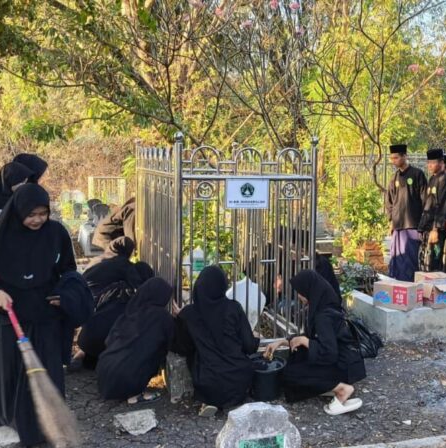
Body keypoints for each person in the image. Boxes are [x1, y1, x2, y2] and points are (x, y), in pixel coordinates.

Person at [0, 184, 77, 448]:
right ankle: (16, 420)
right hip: (12, 311)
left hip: (45, 311)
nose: (37, 219)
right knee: (14, 368)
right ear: (17, 212)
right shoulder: (1, 235)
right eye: (31, 214)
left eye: (43, 213)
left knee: (47, 368)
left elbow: (68, 270)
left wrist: (63, 294)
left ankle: (49, 422)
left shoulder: (56, 233)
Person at [265, 270, 366, 415]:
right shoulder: (325, 305)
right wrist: (281, 342)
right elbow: (313, 338)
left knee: (290, 374)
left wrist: (305, 341)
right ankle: (329, 385)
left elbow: (329, 353)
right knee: (297, 355)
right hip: (343, 363)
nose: (299, 296)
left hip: (341, 366)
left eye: (300, 292)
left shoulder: (323, 317)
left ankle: (341, 389)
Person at [174, 266, 260, 417]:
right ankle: (231, 403)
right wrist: (256, 337)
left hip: (207, 382)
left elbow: (183, 347)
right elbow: (249, 346)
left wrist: (182, 320)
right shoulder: (233, 308)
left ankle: (210, 402)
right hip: (239, 379)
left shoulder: (190, 314)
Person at [97, 277, 175, 404]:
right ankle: (134, 395)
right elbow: (173, 344)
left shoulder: (131, 310)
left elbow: (109, 340)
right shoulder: (162, 317)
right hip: (128, 378)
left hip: (104, 371)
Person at [73, 261, 154, 370]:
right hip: (110, 344)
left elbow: (96, 304)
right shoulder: (141, 302)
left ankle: (83, 354)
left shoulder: (116, 287)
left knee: (92, 355)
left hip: (87, 336)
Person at [385, 144, 427, 281]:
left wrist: (422, 225)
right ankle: (398, 287)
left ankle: (411, 288)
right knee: (397, 259)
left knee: (410, 259)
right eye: (392, 158)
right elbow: (389, 200)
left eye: (396, 157)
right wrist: (391, 220)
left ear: (404, 156)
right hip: (398, 225)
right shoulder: (394, 177)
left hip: (412, 224)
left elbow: (425, 200)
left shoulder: (417, 174)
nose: (393, 161)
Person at [418, 149, 446, 271]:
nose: (429, 165)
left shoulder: (445, 180)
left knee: (434, 260)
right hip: (428, 227)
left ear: (441, 162)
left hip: (436, 229)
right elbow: (428, 205)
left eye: (433, 162)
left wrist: (435, 229)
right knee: (425, 261)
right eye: (428, 162)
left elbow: (442, 205)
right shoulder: (432, 179)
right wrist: (421, 228)